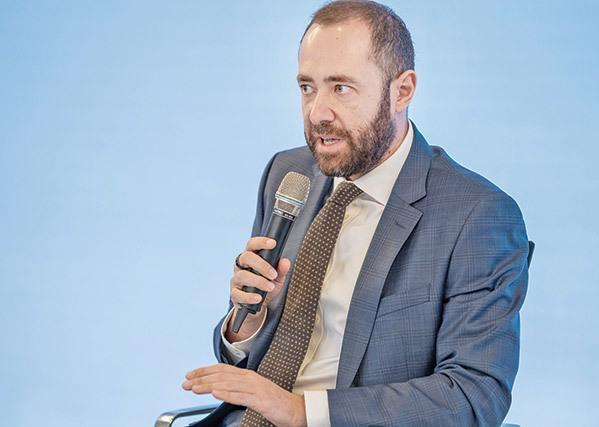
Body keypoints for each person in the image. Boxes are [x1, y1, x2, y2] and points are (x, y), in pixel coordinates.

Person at [181, 1, 529, 426]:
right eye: (307, 87)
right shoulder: (288, 173)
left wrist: (302, 412)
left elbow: (473, 396)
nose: (317, 113)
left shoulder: (476, 216)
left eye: (341, 88)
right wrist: (249, 321)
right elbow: (246, 358)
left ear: (402, 91)